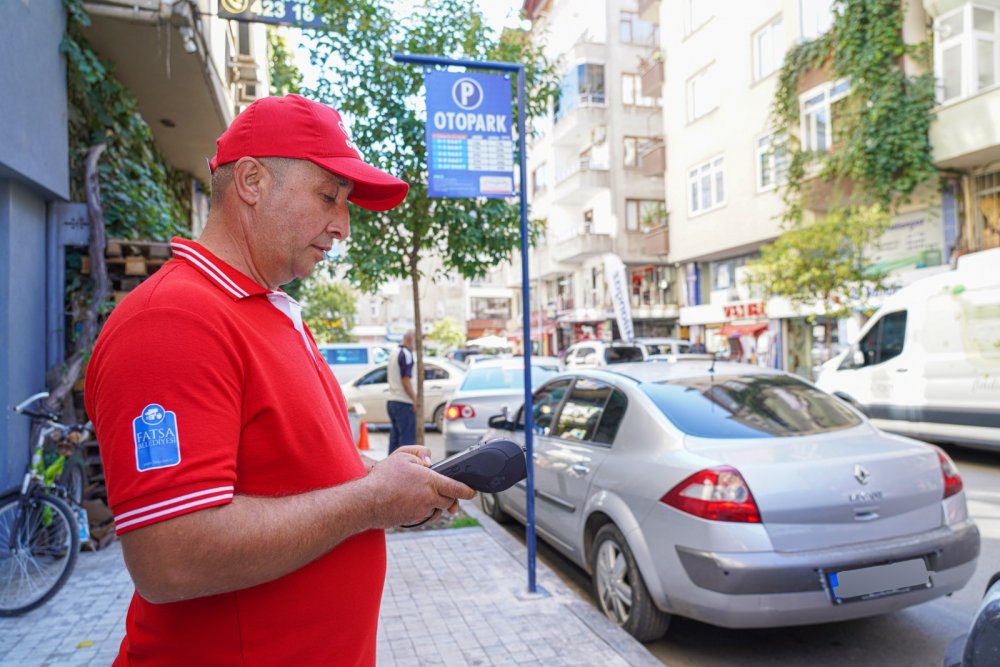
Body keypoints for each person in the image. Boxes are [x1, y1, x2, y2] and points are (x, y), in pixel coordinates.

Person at [83, 94, 475, 666]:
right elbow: (169, 558)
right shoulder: (170, 321)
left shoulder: (265, 308)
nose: (343, 226)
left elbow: (289, 466)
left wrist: (385, 479)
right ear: (251, 181)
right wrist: (369, 501)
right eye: (328, 197)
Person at [386, 329, 418, 455]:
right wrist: (414, 399)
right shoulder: (406, 354)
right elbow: (406, 380)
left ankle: (390, 466)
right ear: (411, 340)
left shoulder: (394, 352)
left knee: (394, 441)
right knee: (407, 442)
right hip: (403, 401)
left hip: (392, 401)